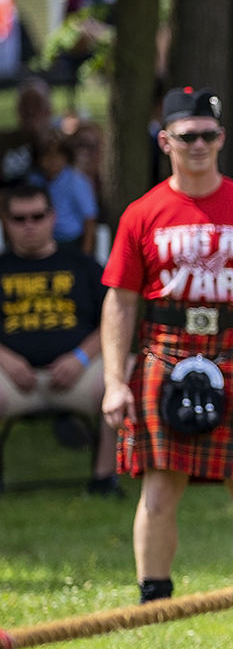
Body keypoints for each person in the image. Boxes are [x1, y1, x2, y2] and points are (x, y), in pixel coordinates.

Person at [100, 87, 233, 606]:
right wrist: (112, 382)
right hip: (164, 349)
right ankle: (155, 596)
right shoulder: (142, 213)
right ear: (166, 140)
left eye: (209, 135)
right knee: (161, 484)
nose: (198, 145)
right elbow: (120, 301)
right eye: (187, 136)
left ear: (222, 139)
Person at [0, 183, 115, 491]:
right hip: (9, 379)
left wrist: (80, 358)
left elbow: (114, 322)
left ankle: (105, 480)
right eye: (19, 219)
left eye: (37, 216)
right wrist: (6, 359)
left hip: (81, 373)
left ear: (53, 217)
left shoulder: (83, 266)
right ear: (4, 221)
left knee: (121, 380)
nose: (29, 226)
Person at [35, 135, 98, 252]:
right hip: (41, 241)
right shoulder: (34, 180)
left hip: (70, 240)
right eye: (47, 155)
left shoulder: (76, 181)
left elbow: (89, 219)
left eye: (58, 155)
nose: (52, 160)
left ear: (67, 158)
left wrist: (86, 254)